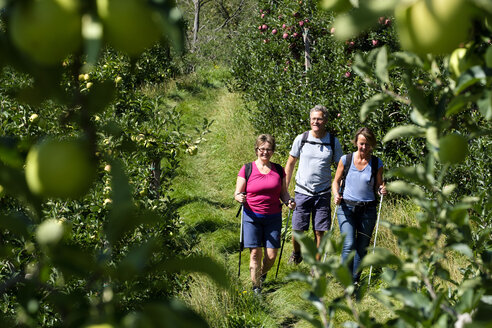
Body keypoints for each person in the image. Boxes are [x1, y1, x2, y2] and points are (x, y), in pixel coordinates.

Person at [234, 134, 295, 294]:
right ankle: (256, 288)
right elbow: (237, 193)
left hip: (273, 217)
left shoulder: (279, 170)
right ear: (257, 150)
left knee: (271, 255)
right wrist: (239, 197)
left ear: (273, 151)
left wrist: (289, 201)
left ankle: (261, 275)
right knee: (255, 253)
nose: (265, 152)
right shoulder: (247, 169)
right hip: (251, 217)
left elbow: (284, 193)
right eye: (262, 149)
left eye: (268, 149)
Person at [284, 105, 343, 264]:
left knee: (320, 232)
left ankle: (317, 265)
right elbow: (290, 164)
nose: (316, 122)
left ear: (326, 120)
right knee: (298, 231)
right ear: (310, 120)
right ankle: (297, 254)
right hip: (302, 191)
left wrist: (339, 186)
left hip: (323, 193)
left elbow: (340, 166)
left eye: (319, 119)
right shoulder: (301, 138)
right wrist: (284, 188)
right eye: (313, 119)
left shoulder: (332, 142)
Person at [331, 127, 387, 284]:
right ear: (356, 142)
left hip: (368, 209)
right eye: (362, 143)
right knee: (348, 244)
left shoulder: (377, 162)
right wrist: (336, 194)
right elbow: (335, 181)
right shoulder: (345, 160)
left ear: (372, 145)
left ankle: (354, 280)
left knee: (362, 247)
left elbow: (378, 185)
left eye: (368, 144)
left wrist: (381, 189)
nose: (364, 147)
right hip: (346, 207)